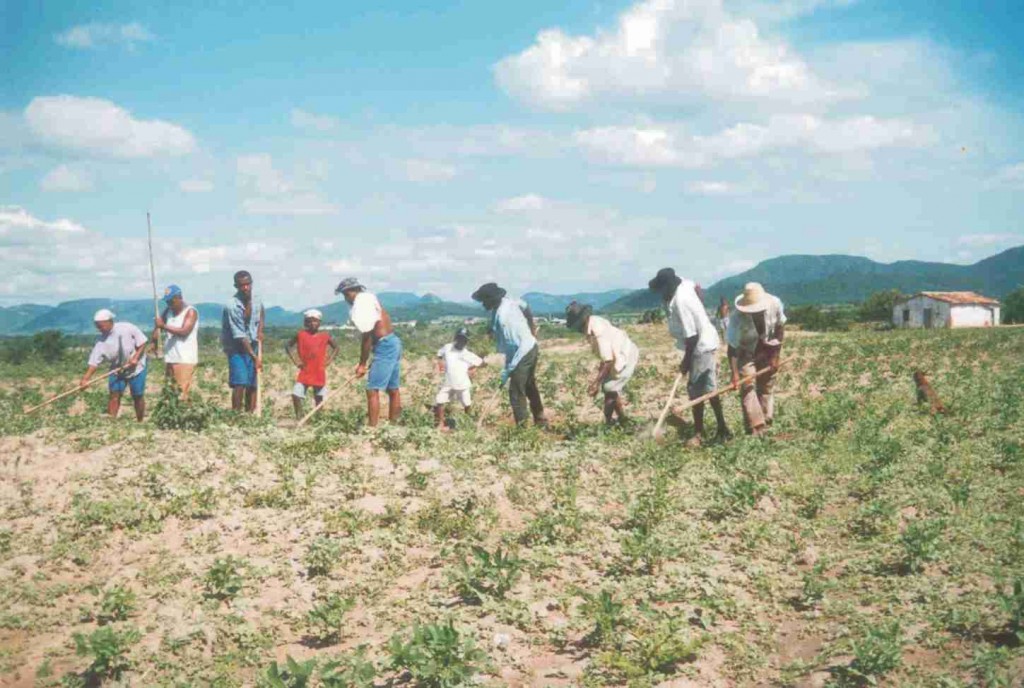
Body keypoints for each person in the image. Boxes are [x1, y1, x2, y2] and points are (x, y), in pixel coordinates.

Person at [649, 267, 731, 446]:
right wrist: (699, 306)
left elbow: (692, 336)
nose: (660, 294)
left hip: (700, 347)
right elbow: (697, 286)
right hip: (705, 342)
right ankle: (723, 429)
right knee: (709, 389)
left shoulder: (681, 301)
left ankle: (699, 433)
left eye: (661, 289)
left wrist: (686, 362)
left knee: (696, 391)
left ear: (667, 287)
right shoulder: (684, 285)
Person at [471, 282, 546, 427]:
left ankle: (523, 430)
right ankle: (541, 419)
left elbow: (513, 348)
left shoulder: (504, 318)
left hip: (523, 351)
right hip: (531, 346)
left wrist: (509, 369)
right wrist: (532, 328)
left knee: (516, 391)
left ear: (491, 300)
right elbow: (525, 307)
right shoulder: (509, 303)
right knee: (529, 385)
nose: (482, 305)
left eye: (484, 301)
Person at [335, 277, 402, 426]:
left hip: (385, 345)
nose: (346, 298)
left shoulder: (362, 303)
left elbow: (367, 337)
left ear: (355, 291)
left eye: (346, 294)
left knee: (372, 389)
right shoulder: (368, 298)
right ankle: (394, 425)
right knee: (392, 389)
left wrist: (362, 364)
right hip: (392, 342)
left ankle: (372, 429)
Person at [565, 302, 640, 426]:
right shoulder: (592, 323)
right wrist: (599, 380)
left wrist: (596, 383)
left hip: (625, 355)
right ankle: (622, 420)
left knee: (609, 388)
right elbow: (605, 357)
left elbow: (608, 361)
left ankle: (608, 424)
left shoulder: (597, 330)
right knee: (609, 387)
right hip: (618, 355)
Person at [726, 282, 786, 436]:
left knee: (766, 384)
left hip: (768, 347)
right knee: (747, 384)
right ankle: (756, 426)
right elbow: (732, 348)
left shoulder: (775, 304)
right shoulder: (736, 318)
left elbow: (780, 328)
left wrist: (776, 356)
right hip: (746, 350)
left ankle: (766, 421)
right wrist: (734, 374)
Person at [80, 309, 148, 421]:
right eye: (98, 327)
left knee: (137, 395)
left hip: (137, 368)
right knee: (114, 395)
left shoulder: (127, 328)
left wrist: (135, 358)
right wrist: (85, 379)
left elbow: (143, 342)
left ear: (110, 321)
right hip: (117, 370)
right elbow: (93, 363)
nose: (100, 329)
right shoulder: (100, 342)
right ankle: (112, 421)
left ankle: (140, 421)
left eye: (101, 326)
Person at [221, 270, 264, 412]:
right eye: (242, 285)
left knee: (253, 382)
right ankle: (236, 415)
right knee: (240, 382)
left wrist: (260, 330)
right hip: (236, 348)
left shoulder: (257, 299)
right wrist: (254, 357)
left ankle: (250, 414)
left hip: (252, 343)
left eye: (248, 284)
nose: (246, 288)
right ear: (236, 286)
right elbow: (239, 335)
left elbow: (261, 311)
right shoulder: (232, 305)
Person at [286, 309, 338, 419]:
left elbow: (336, 348)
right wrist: (296, 361)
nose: (313, 323)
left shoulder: (325, 336)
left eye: (315, 321)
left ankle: (318, 418)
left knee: (318, 397)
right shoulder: (300, 335)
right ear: (305, 323)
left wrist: (328, 361)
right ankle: (299, 418)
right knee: (296, 394)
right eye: (309, 321)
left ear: (319, 323)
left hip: (318, 370)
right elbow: (288, 346)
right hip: (305, 370)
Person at [433, 327, 485, 431]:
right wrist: (440, 363)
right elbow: (439, 354)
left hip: (462, 384)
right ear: (456, 338)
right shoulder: (447, 348)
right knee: (439, 401)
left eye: (464, 339)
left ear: (466, 341)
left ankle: (467, 423)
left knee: (467, 404)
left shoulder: (468, 354)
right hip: (448, 383)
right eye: (460, 338)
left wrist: (473, 369)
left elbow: (482, 363)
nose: (461, 341)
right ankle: (441, 424)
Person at [153, 284, 199, 399]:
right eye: (167, 302)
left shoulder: (190, 312)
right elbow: (158, 327)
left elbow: (184, 331)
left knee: (181, 393)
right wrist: (154, 340)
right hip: (170, 357)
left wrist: (163, 326)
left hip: (184, 359)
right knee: (170, 392)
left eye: (172, 301)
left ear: (179, 298)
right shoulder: (168, 311)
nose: (169, 304)